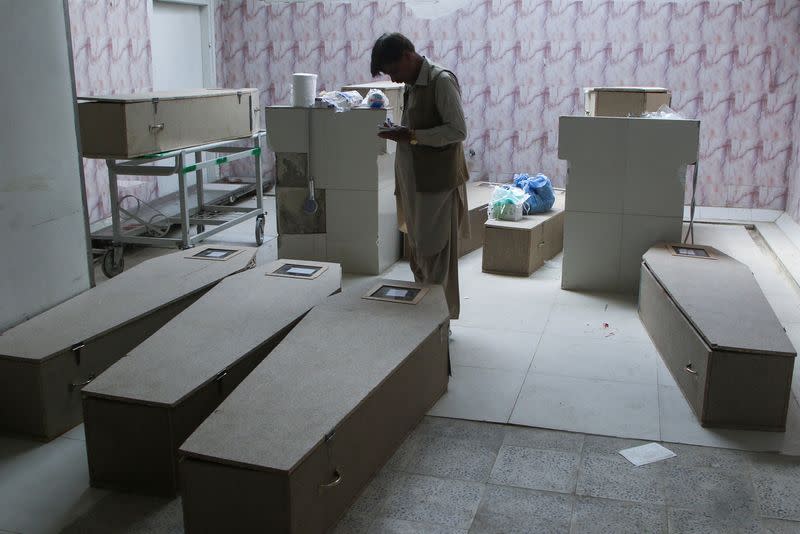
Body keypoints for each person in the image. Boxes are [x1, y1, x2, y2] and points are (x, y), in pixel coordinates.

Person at [371, 32, 470, 320]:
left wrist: (411, 136)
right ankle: (424, 318)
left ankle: (439, 322)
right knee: (418, 253)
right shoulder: (412, 83)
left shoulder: (441, 81)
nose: (393, 80)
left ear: (408, 55)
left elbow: (457, 131)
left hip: (436, 185)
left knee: (436, 255)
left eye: (394, 71)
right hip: (414, 182)